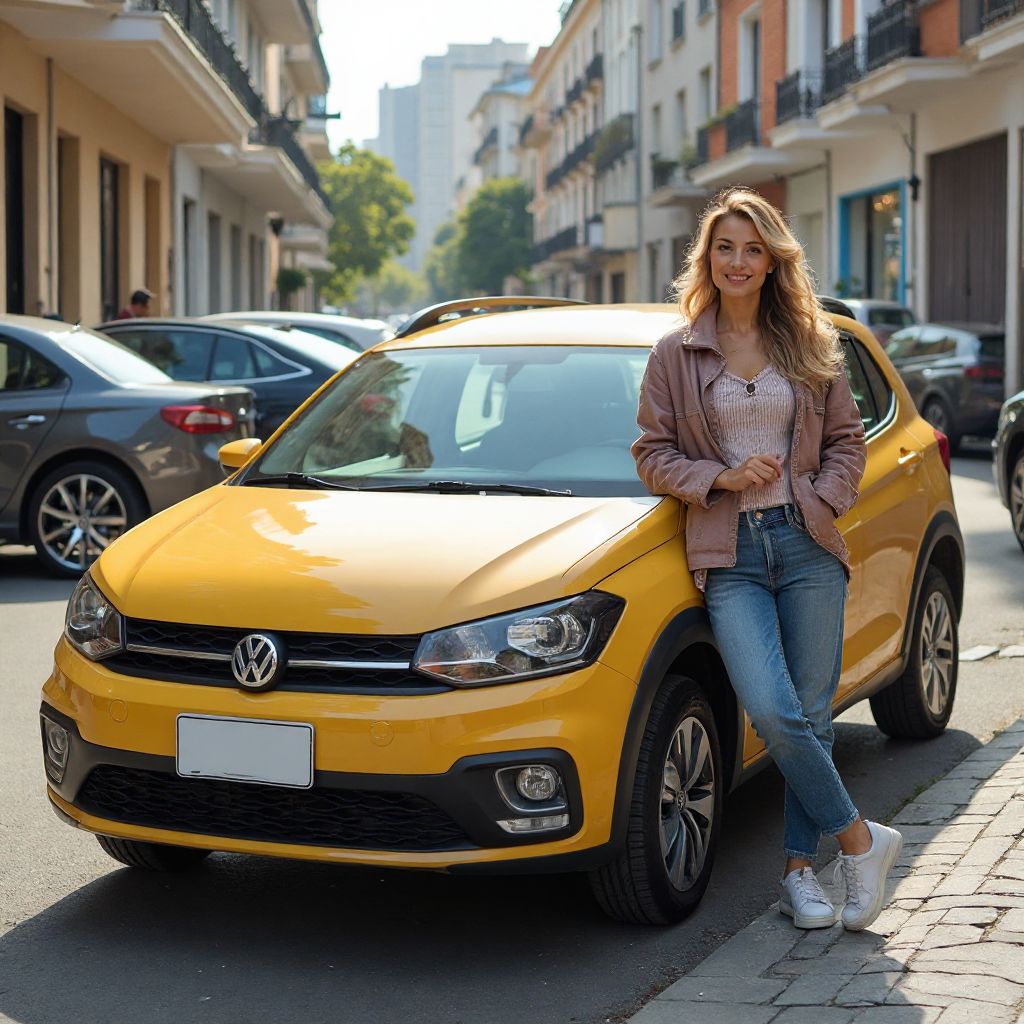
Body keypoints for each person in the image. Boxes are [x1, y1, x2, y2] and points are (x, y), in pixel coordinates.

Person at [632, 187, 902, 933]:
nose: (739, 261)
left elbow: (849, 441)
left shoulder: (810, 344)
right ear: (707, 259)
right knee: (775, 711)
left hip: (806, 543)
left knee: (810, 718)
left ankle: (797, 874)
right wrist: (716, 477)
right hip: (731, 556)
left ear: (773, 259)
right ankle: (860, 840)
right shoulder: (675, 354)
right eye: (726, 247)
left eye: (753, 248)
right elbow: (651, 454)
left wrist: (823, 494)